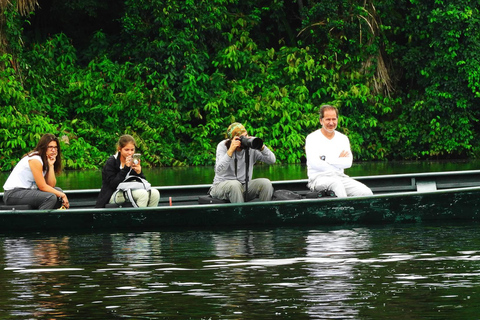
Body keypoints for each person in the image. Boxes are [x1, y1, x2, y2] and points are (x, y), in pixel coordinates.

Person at [305, 105, 373, 198]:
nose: (331, 123)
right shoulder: (312, 138)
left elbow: (348, 163)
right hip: (318, 179)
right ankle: (344, 211)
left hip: (340, 177)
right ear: (321, 120)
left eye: (334, 119)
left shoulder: (343, 138)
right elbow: (315, 164)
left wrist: (325, 159)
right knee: (336, 185)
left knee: (366, 192)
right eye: (328, 119)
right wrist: (338, 159)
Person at [210, 122, 276, 203]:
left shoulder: (251, 148)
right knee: (235, 185)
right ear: (233, 139)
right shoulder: (223, 146)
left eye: (246, 135)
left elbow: (272, 160)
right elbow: (219, 171)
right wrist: (230, 151)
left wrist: (261, 146)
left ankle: (264, 212)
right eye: (242, 137)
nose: (245, 139)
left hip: (244, 186)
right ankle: (240, 214)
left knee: (266, 183)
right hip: (220, 187)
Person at [2, 133, 69, 209]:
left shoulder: (45, 160)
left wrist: (50, 166)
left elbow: (51, 186)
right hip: (12, 194)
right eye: (50, 147)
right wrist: (62, 195)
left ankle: (49, 218)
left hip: (26, 192)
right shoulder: (35, 160)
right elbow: (42, 186)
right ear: (43, 147)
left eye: (55, 147)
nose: (53, 150)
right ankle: (40, 220)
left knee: (58, 191)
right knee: (50, 197)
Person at [95, 134, 160, 208]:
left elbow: (141, 183)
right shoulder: (112, 162)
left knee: (155, 193)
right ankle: (139, 218)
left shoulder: (133, 161)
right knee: (143, 194)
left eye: (132, 150)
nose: (130, 153)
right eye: (126, 150)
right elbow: (113, 184)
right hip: (113, 194)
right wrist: (126, 168)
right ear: (120, 149)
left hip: (130, 190)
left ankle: (150, 217)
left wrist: (139, 173)